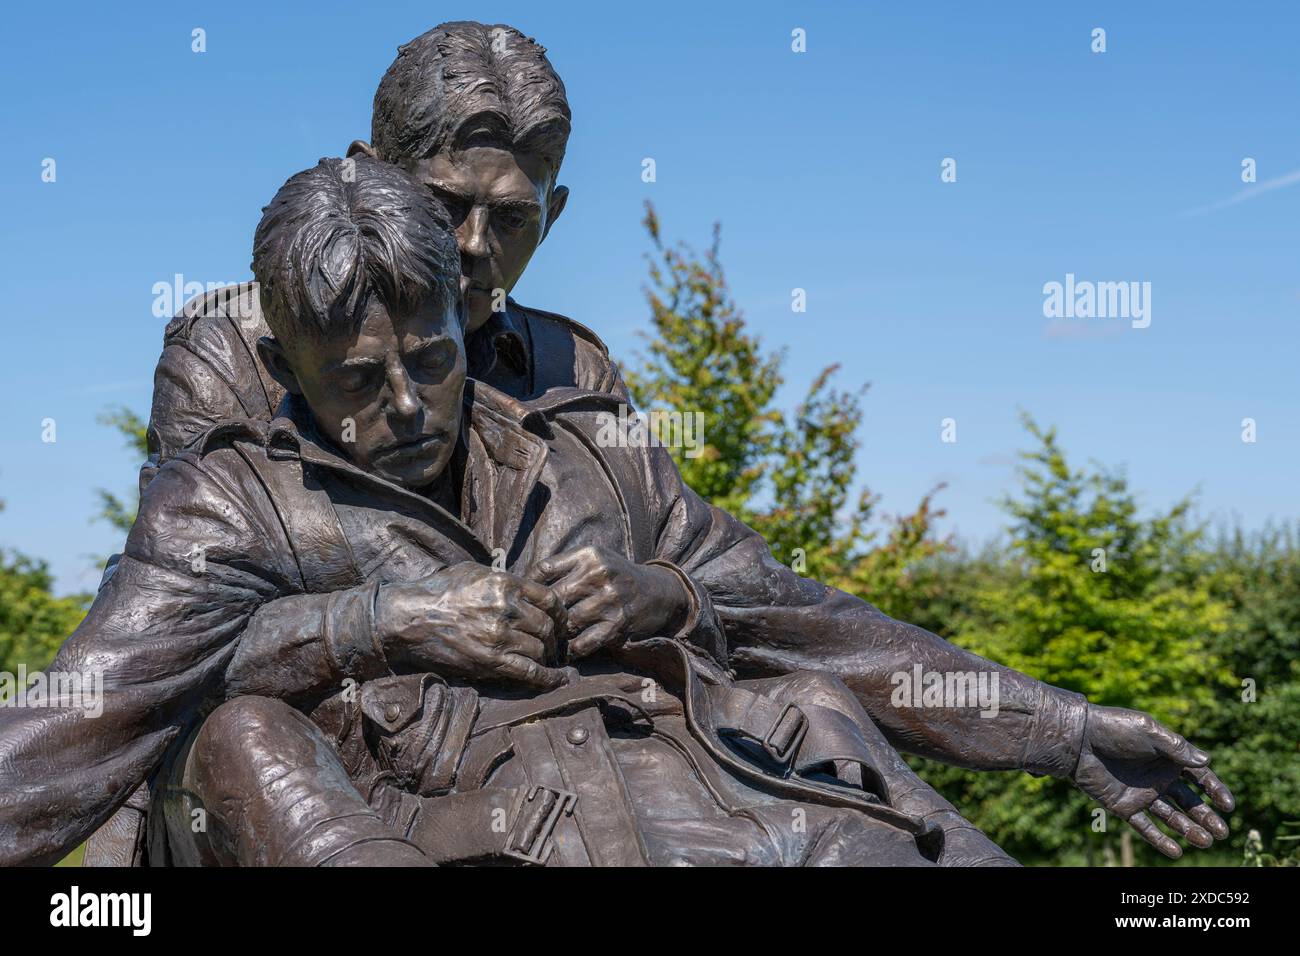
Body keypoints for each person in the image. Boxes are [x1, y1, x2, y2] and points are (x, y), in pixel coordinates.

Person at [126, 20, 1235, 863]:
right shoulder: (236, 346)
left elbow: (763, 599)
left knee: (821, 738)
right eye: (445, 204)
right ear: (370, 173)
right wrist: (395, 618)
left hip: (605, 770)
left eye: (510, 217)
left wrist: (1057, 726)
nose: (474, 250)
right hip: (360, 778)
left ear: (551, 217)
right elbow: (189, 634)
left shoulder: (577, 372)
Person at [1, 158, 1014, 867]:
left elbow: (806, 618)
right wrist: (377, 622)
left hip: (724, 811)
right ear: (282, 369)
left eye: (433, 360)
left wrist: (1064, 724)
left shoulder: (576, 446)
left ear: (464, 318)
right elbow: (80, 722)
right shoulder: (226, 501)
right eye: (355, 381)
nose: (404, 408)